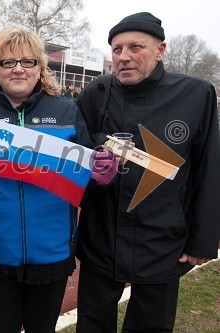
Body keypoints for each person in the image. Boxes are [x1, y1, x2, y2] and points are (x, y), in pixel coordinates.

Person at [0, 26, 117, 333]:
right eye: (8, 62)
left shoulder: (67, 112)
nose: (18, 69)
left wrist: (101, 177)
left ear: (40, 67)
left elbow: (86, 177)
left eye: (28, 61)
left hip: (52, 252)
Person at [75, 12, 220, 332]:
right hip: (101, 237)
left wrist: (204, 241)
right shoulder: (96, 92)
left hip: (162, 241)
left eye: (135, 47)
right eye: (116, 49)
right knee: (92, 325)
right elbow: (74, 148)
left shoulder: (196, 94)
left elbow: (209, 168)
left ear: (161, 49)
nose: (123, 57)